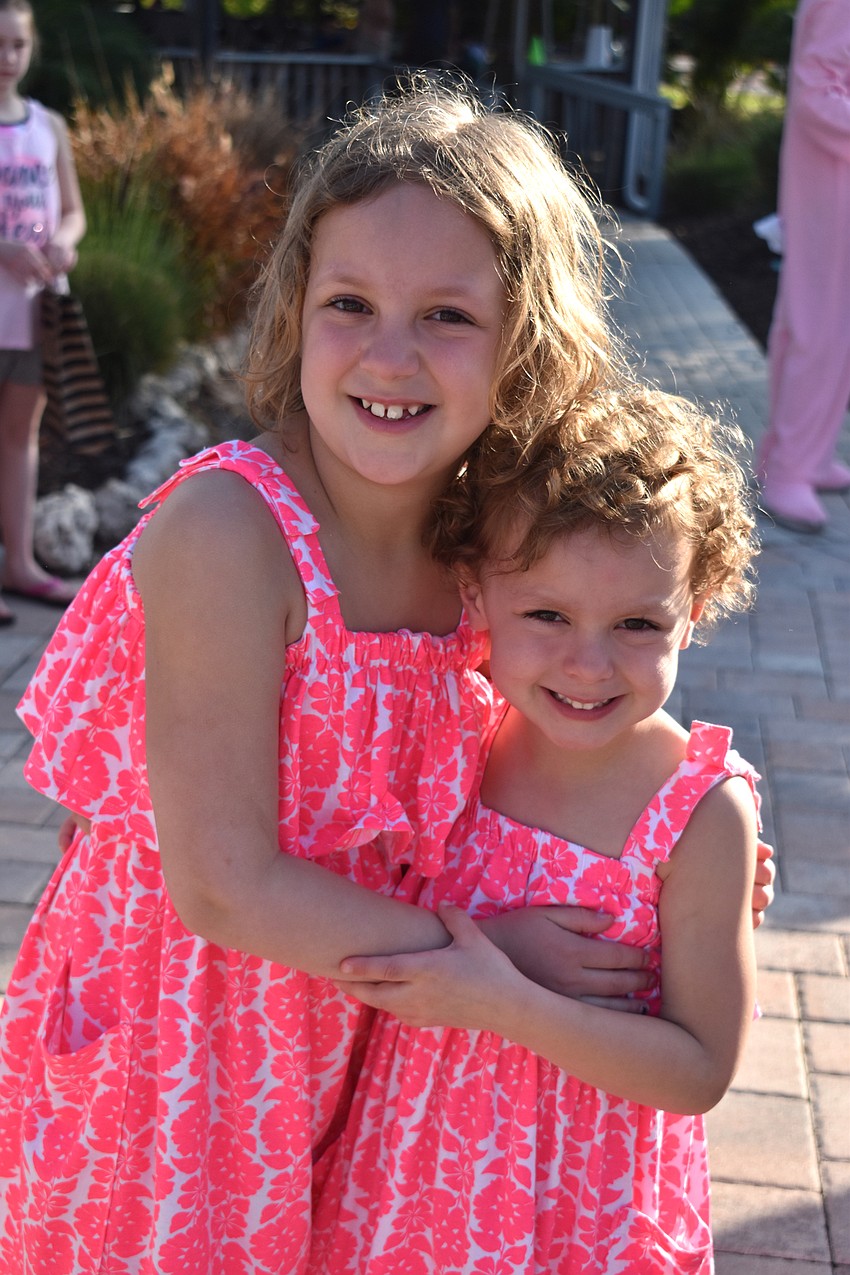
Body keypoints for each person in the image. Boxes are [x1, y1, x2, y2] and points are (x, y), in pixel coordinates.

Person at [0, 80, 773, 1274]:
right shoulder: (232, 532)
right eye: (350, 303)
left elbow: (578, 689)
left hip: (363, 1037)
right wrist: (494, 953)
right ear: (294, 308)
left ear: (526, 342)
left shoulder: (485, 547)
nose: (389, 354)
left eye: (447, 315)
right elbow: (224, 886)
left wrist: (680, 834)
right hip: (186, 1047)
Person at [310, 384, 762, 1274]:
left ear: (697, 605)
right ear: (476, 592)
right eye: (547, 615)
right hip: (410, 1183)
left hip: (578, 1209)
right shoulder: (458, 737)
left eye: (637, 624)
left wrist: (507, 1003)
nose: (588, 664)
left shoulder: (697, 813)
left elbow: (700, 1068)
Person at [0, 0, 84, 624]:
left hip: (36, 312)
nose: (7, 58)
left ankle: (21, 564)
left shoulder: (49, 125)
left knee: (20, 434)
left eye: (17, 45)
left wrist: (65, 243)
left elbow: (74, 212)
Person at [758, 0, 850, 532]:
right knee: (820, 326)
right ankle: (789, 468)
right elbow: (817, 92)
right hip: (833, 186)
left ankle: (802, 456)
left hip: (835, 179)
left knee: (824, 326)